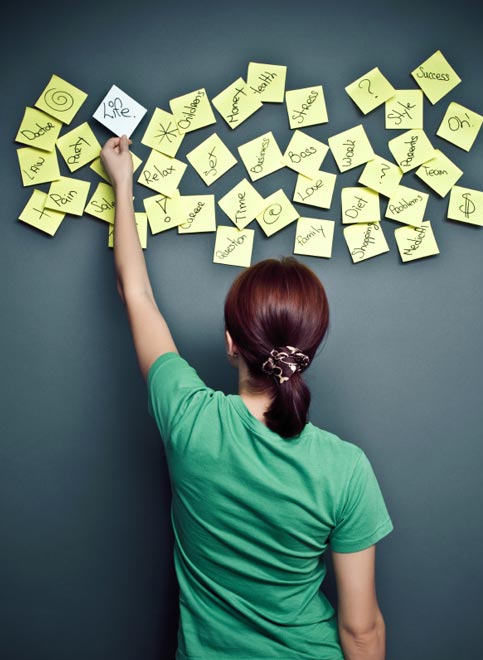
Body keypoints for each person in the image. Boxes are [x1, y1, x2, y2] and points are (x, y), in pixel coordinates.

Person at [101, 135, 394, 660]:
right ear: (310, 348)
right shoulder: (347, 470)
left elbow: (136, 293)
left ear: (231, 342)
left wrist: (123, 184)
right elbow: (361, 631)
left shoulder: (188, 418)